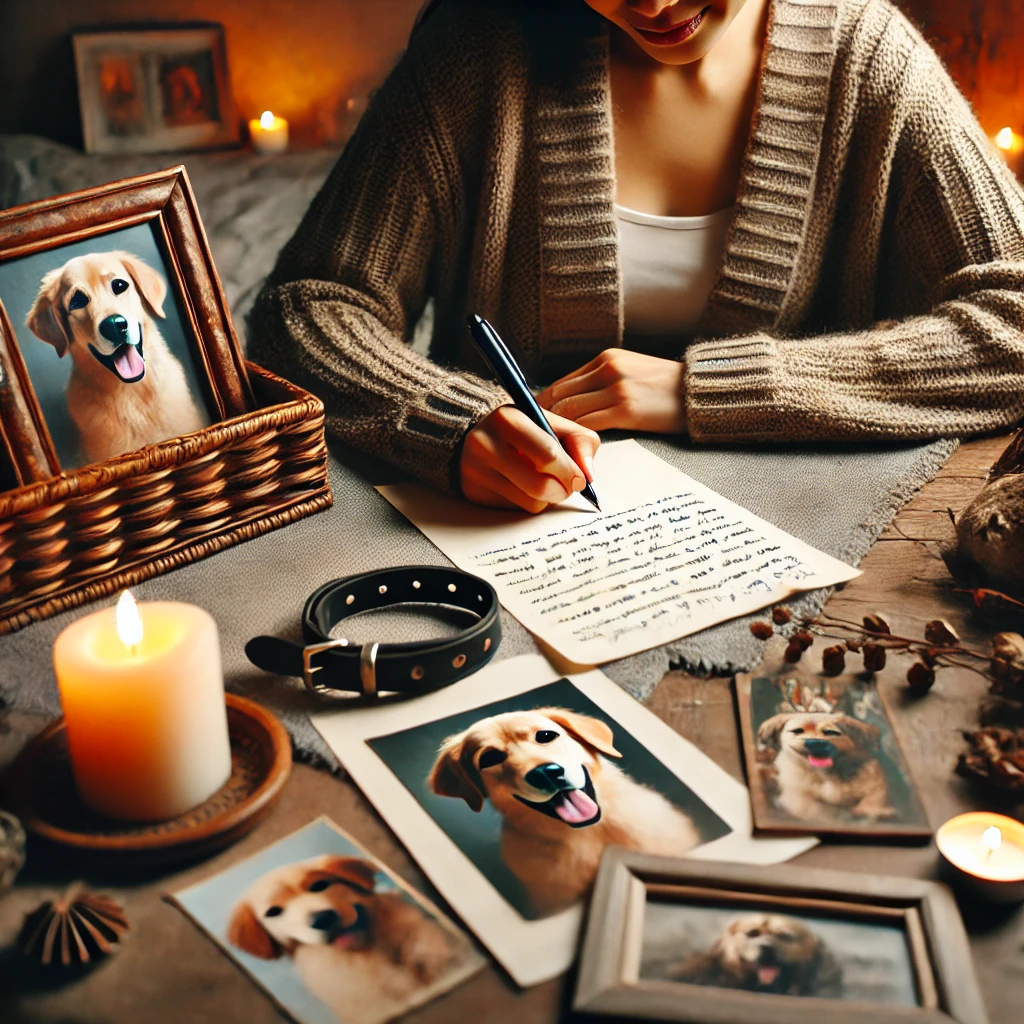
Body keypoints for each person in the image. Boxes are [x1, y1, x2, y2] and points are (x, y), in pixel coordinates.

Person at [248, 0, 1024, 514]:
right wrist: (448, 420)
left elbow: (1015, 315)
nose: (650, 3)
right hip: (507, 538)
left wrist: (705, 390)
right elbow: (310, 304)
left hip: (807, 542)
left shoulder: (866, 53)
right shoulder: (476, 49)